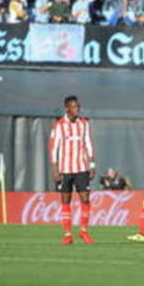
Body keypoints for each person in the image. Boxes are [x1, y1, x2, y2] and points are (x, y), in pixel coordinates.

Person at [48, 95, 96, 245]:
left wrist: (92, 165)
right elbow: (53, 147)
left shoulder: (84, 123)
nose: (77, 109)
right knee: (66, 200)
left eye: (78, 106)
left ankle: (83, 231)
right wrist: (54, 169)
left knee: (85, 198)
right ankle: (67, 234)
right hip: (65, 169)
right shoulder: (59, 125)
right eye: (74, 107)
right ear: (67, 108)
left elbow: (88, 144)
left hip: (81, 168)